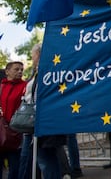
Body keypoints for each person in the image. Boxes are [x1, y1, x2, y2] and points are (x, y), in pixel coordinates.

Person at [19, 43, 67, 179]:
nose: (32, 58)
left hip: (43, 121)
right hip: (40, 121)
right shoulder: (40, 71)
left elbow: (39, 94)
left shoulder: (46, 71)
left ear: (38, 54)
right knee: (44, 158)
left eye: (33, 55)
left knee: (46, 159)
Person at [0, 61, 26, 179]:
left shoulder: (25, 86)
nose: (20, 71)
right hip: (1, 132)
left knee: (15, 167)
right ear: (7, 72)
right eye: (16, 69)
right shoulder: (1, 86)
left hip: (16, 133)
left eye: (21, 69)